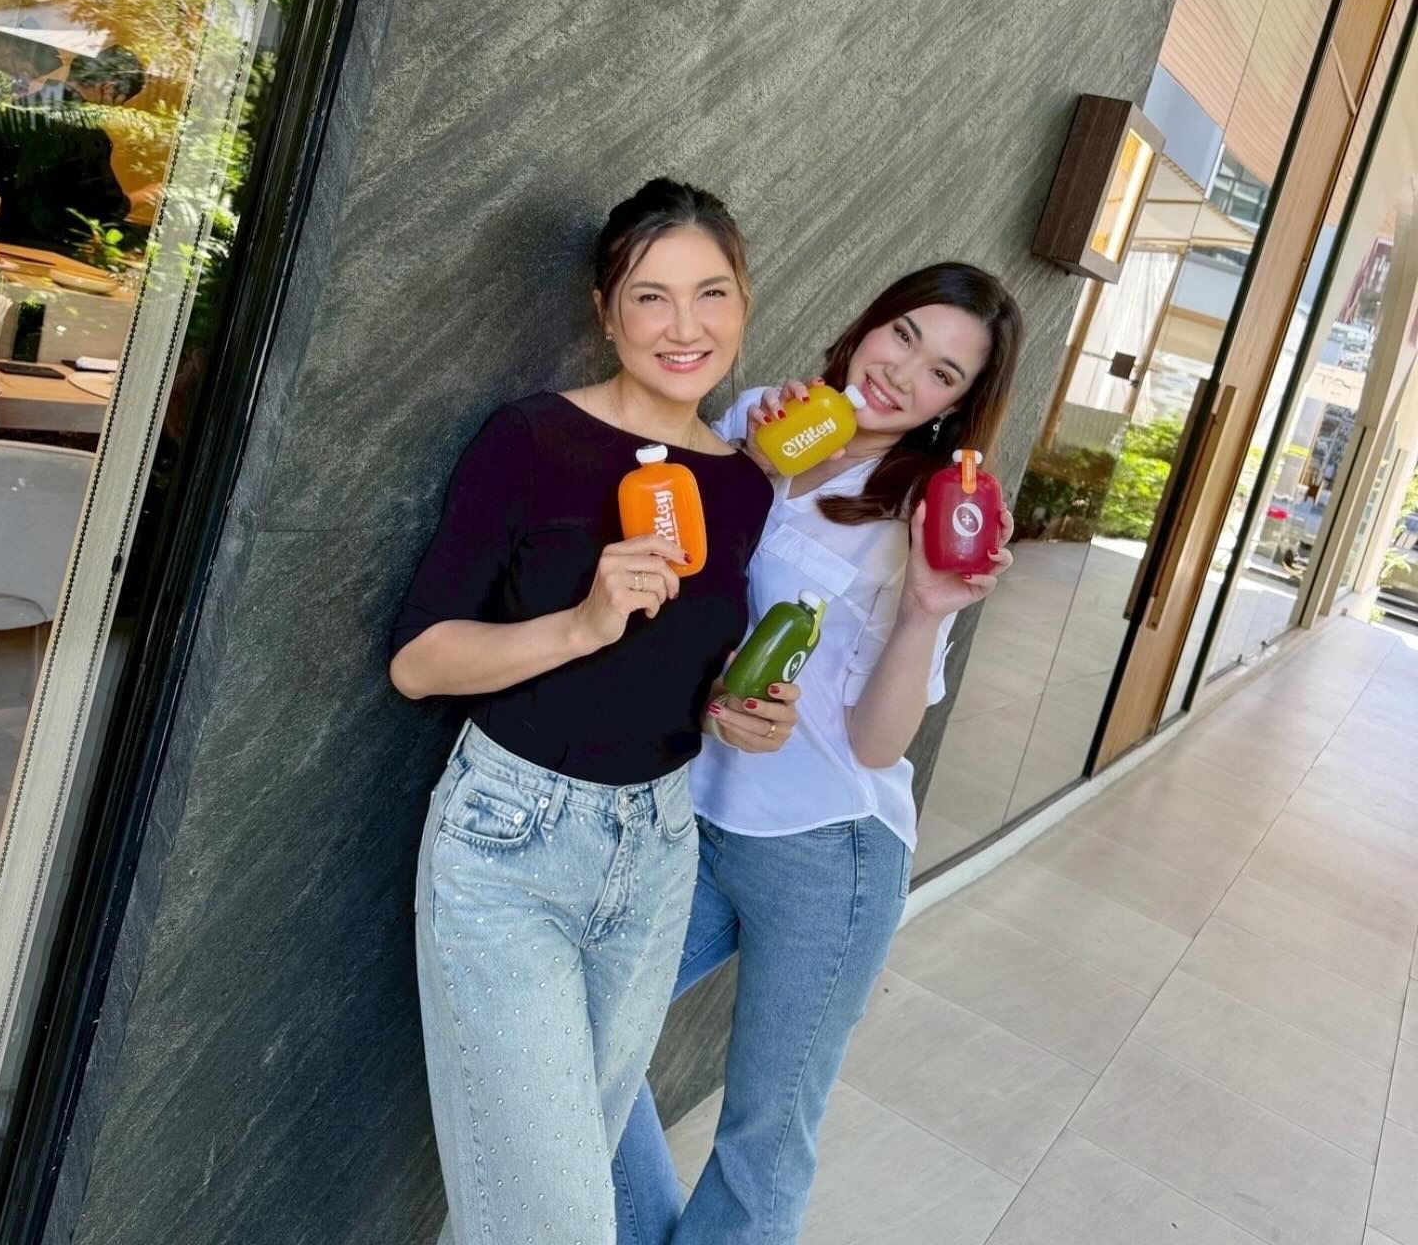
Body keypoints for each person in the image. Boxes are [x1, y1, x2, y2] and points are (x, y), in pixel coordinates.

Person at [389, 178, 797, 1245]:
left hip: (659, 853)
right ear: (605, 310)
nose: (684, 326)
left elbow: (682, 673)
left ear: (745, 301)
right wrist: (581, 622)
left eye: (711, 293)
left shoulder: (743, 488)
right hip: (510, 840)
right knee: (558, 1219)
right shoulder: (531, 440)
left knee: (536, 1199)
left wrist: (741, 712)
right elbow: (418, 663)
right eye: (651, 296)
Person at [613, 262, 1023, 1245]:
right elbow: (683, 576)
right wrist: (750, 465)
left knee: (763, 1140)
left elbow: (877, 744)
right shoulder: (764, 419)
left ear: (954, 408)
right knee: (586, 1044)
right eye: (904, 335)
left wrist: (925, 608)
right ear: (868, 323)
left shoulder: (922, 517)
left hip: (827, 850)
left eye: (943, 374)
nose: (904, 373)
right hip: (697, 813)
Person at [0, 47, 144, 252]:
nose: (116, 108)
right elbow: (106, 209)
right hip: (43, 253)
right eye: (120, 101)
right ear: (108, 88)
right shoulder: (87, 135)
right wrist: (151, 194)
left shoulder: (14, 109)